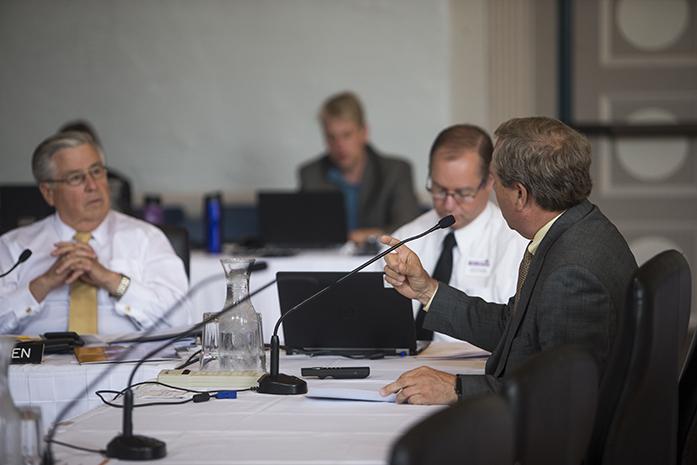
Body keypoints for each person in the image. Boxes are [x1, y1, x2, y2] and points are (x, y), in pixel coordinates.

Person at [379, 116, 637, 404]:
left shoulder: (572, 273)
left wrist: (455, 388)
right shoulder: (578, 228)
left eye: (495, 179)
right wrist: (427, 291)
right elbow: (515, 329)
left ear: (519, 194)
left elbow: (561, 395)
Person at [0, 131, 189, 335]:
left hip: (126, 363)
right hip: (36, 364)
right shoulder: (14, 247)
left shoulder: (146, 238)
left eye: (96, 171)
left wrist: (110, 280)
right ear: (48, 192)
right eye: (76, 178)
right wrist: (43, 284)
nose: (92, 185)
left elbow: (180, 321)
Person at [390, 124, 527, 342]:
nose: (449, 204)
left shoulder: (516, 244)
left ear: (490, 181)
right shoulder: (408, 237)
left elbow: (514, 333)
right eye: (439, 190)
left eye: (463, 193)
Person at [299, 91, 421, 244]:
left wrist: (370, 236)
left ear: (364, 132)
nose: (340, 145)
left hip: (382, 263)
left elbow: (409, 227)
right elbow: (305, 232)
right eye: (331, 137)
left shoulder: (396, 171)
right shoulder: (310, 174)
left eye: (347, 135)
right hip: (326, 263)